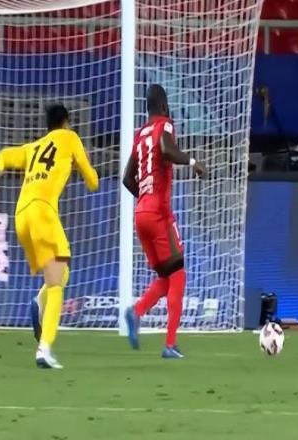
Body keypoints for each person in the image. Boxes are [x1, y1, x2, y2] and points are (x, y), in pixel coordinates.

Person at [0, 104, 99, 369]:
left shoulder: (33, 147)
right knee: (57, 285)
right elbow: (93, 182)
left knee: (60, 272)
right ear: (66, 122)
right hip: (43, 212)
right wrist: (84, 164)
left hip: (22, 216)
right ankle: (44, 349)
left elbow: (1, 156)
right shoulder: (71, 138)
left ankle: (38, 302)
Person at [123, 84, 206, 359]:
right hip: (158, 212)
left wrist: (144, 198)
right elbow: (167, 150)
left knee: (166, 276)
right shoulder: (164, 125)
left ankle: (136, 311)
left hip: (141, 214)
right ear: (163, 106)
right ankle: (170, 344)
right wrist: (193, 162)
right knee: (178, 274)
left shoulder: (139, 135)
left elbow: (127, 178)